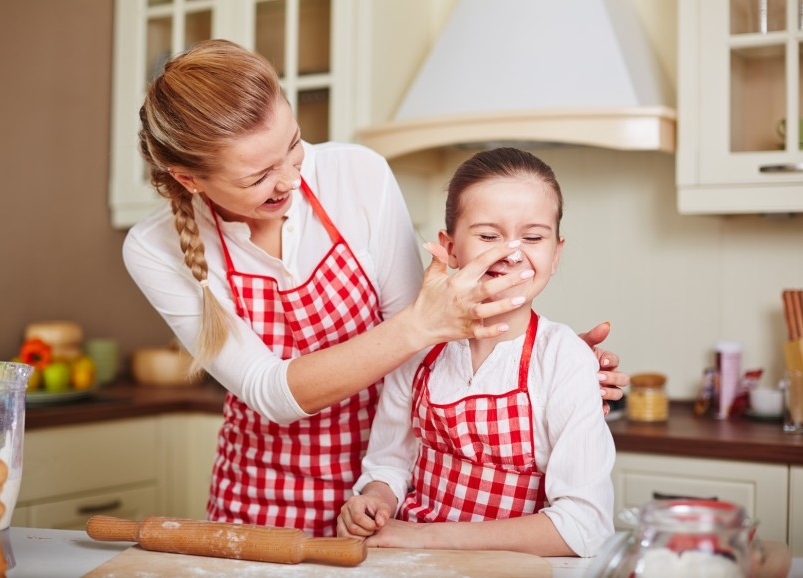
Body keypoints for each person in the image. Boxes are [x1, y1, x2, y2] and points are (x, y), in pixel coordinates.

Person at [122, 39, 626, 538]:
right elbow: (270, 391)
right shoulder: (153, 247)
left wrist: (547, 369)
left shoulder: (355, 175)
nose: (291, 180)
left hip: (390, 493)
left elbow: (430, 341)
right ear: (189, 180)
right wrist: (420, 327)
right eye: (259, 176)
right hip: (262, 493)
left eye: (294, 146)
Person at [337, 147, 616, 557]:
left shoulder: (564, 360)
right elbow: (389, 465)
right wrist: (376, 500)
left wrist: (426, 536)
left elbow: (583, 526)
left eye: (533, 237)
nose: (512, 252)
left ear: (556, 254)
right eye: (488, 236)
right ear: (450, 249)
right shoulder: (416, 351)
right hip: (413, 564)